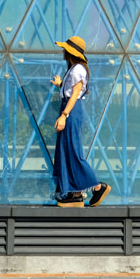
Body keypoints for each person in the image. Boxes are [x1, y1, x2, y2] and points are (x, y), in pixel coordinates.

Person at [51, 35, 111, 208]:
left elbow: (75, 94)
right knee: (67, 151)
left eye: (65, 49)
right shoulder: (74, 69)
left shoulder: (78, 69)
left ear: (70, 52)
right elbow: (71, 90)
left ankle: (98, 187)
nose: (63, 51)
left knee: (73, 151)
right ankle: (75, 194)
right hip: (70, 109)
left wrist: (64, 115)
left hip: (71, 111)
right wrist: (60, 84)